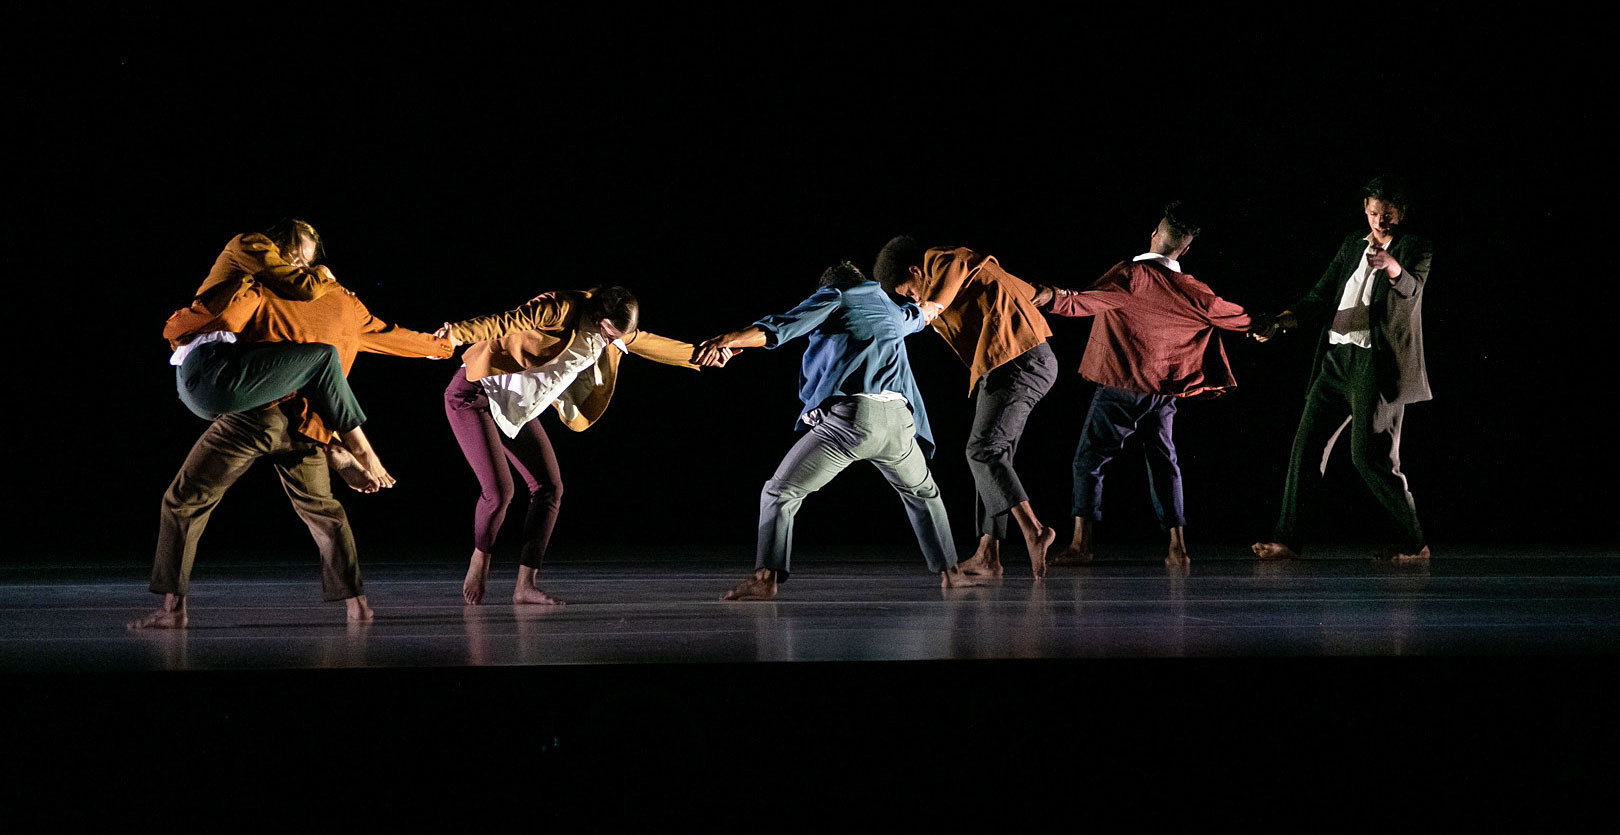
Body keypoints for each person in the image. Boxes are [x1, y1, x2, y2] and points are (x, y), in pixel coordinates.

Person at [130, 239, 454, 629]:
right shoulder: (348, 306)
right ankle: (357, 604)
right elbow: (391, 336)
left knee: (185, 500)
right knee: (324, 511)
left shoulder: (264, 289)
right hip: (307, 424)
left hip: (254, 417)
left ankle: (173, 611)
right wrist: (440, 346)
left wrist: (181, 327)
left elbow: (222, 323)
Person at [696, 261, 981, 600]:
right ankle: (951, 573)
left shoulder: (836, 296)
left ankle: (765, 578)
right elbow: (927, 312)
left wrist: (726, 340)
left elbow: (780, 328)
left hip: (856, 420)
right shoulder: (890, 306)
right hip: (902, 424)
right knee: (924, 494)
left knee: (780, 492)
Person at [439, 286, 704, 605]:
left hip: (515, 404)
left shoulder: (614, 329)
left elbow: (647, 343)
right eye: (610, 334)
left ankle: (525, 586)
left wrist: (701, 356)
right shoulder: (560, 308)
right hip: (474, 393)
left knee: (549, 488)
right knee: (500, 492)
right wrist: (455, 333)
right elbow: (506, 322)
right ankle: (480, 560)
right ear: (598, 316)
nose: (613, 342)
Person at [1038, 203, 1255, 567]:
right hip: (1163, 391)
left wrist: (1050, 299)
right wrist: (1265, 325)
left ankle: (1081, 544)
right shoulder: (1192, 288)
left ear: (1155, 234)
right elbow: (1233, 315)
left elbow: (1088, 301)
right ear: (1185, 249)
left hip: (1124, 385)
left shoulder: (1133, 274)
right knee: (1164, 461)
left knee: (1088, 459)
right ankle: (1177, 548)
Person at [1250, 176, 1433, 561]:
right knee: (1305, 447)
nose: (1379, 221)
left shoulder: (1415, 246)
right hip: (1336, 360)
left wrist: (1392, 266)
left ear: (1400, 214)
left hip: (1374, 364)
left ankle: (1414, 543)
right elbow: (1321, 295)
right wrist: (1281, 323)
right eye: (1372, 213)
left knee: (1368, 456)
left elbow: (1412, 288)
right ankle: (1288, 539)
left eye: (1387, 215)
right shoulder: (1352, 244)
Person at [874, 236, 1058, 579]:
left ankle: (1034, 530)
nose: (915, 300)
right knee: (992, 458)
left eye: (910, 292)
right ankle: (988, 554)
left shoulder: (940, 260)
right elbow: (1020, 288)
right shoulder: (972, 273)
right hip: (1007, 362)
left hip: (1019, 358)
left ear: (916, 270)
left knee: (982, 451)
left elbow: (960, 262)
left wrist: (931, 304)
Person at [164, 219, 394, 492]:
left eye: (305, 263)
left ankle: (330, 445)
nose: (299, 266)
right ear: (278, 242)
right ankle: (360, 449)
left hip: (227, 377)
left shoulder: (266, 293)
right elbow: (304, 287)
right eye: (294, 256)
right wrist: (324, 276)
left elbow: (381, 334)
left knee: (305, 372)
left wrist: (441, 345)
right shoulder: (249, 245)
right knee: (322, 358)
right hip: (210, 368)